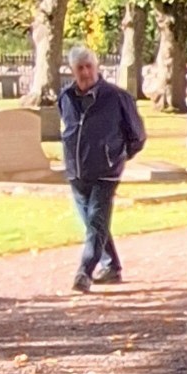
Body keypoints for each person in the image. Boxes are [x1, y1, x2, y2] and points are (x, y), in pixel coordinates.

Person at [57, 44, 146, 294]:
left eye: (89, 67)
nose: (85, 73)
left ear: (97, 68)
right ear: (72, 70)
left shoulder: (116, 97)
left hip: (105, 173)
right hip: (77, 173)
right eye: (80, 68)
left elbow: (137, 136)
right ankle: (112, 266)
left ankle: (84, 272)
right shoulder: (65, 97)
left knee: (96, 222)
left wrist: (117, 157)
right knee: (93, 225)